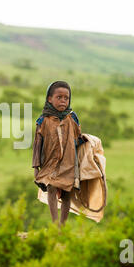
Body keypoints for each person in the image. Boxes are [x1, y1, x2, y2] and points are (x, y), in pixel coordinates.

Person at [32, 81, 84, 226]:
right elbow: (37, 145)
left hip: (68, 162)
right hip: (49, 163)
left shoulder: (72, 118)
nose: (63, 101)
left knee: (67, 193)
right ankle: (55, 224)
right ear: (49, 99)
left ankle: (63, 225)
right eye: (59, 97)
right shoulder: (43, 120)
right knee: (51, 188)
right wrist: (36, 167)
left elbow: (79, 138)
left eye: (66, 98)